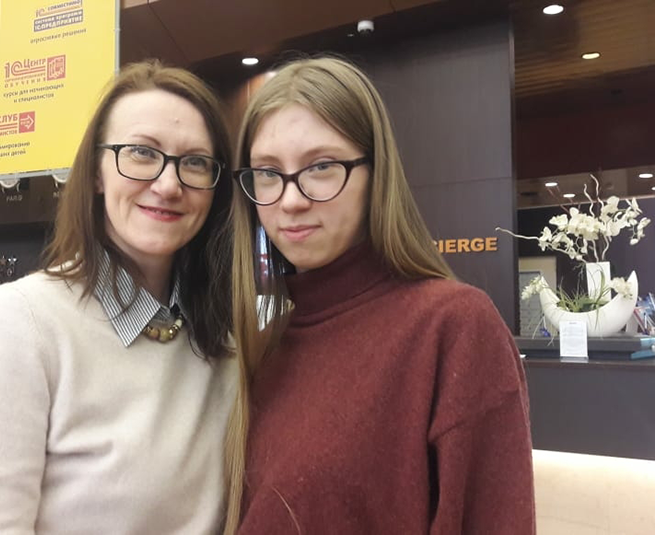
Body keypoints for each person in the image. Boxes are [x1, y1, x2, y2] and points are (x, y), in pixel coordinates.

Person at [223, 57, 535, 534]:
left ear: (376, 173)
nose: (290, 200)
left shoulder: (452, 327)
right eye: (267, 172)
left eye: (321, 166)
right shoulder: (265, 343)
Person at [0, 61, 236, 534]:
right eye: (141, 153)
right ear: (95, 173)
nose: (169, 184)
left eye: (195, 162)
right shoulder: (18, 325)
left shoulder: (223, 337)